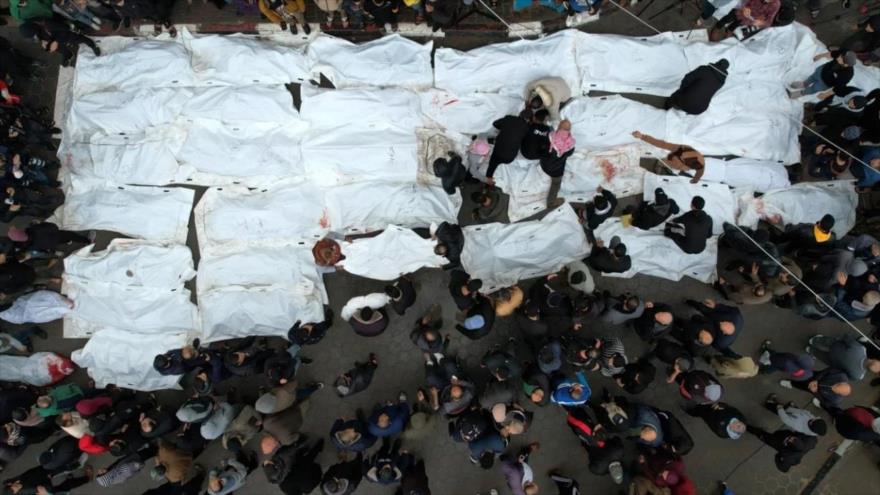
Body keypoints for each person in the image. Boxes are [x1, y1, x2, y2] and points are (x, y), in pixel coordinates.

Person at [632, 132, 706, 183]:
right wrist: (642, 136)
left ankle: (663, 167)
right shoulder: (681, 148)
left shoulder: (699, 164)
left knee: (665, 172)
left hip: (674, 165)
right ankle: (661, 164)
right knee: (661, 161)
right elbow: (662, 144)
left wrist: (695, 180)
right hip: (671, 159)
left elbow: (700, 173)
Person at [806, 334, 880, 381]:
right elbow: (844, 375)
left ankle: (814, 340)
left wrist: (839, 339)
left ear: (873, 359)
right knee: (821, 355)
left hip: (835, 346)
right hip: (833, 362)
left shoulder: (861, 349)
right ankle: (810, 350)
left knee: (827, 341)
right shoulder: (858, 376)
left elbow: (846, 337)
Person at [744, 424, 817, 472]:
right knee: (773, 434)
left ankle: (747, 427)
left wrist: (778, 456)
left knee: (763, 436)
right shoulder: (809, 442)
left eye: (791, 441)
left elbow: (784, 469)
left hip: (776, 442)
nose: (791, 439)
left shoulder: (789, 458)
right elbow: (814, 440)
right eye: (793, 439)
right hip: (782, 436)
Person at [486, 110, 532, 183]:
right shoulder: (527, 128)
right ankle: (499, 177)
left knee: (493, 163)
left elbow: (495, 123)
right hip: (509, 158)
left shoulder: (509, 118)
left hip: (498, 152)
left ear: (519, 114)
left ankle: (489, 178)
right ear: (528, 119)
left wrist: (503, 128)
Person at [790, 50, 857, 99]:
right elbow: (832, 54)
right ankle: (804, 84)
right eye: (840, 56)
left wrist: (825, 95)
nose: (838, 58)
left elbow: (838, 88)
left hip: (824, 84)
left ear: (846, 64)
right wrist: (820, 56)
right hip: (821, 70)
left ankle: (801, 93)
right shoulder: (843, 54)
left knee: (813, 89)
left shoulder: (847, 74)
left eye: (841, 59)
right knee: (812, 77)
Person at [540, 120, 576, 206]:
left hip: (544, 165)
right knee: (556, 184)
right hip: (556, 170)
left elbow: (542, 149)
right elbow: (570, 154)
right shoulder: (571, 144)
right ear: (570, 129)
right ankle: (551, 202)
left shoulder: (550, 137)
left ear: (559, 126)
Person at [780, 367, 851, 410]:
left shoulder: (835, 400)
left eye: (836, 389)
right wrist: (816, 380)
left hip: (815, 389)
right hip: (816, 376)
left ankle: (791, 383)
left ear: (839, 394)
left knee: (802, 386)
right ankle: (793, 369)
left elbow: (824, 401)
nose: (834, 387)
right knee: (803, 373)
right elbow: (828, 370)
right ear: (843, 382)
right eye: (837, 385)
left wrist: (815, 392)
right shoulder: (841, 375)